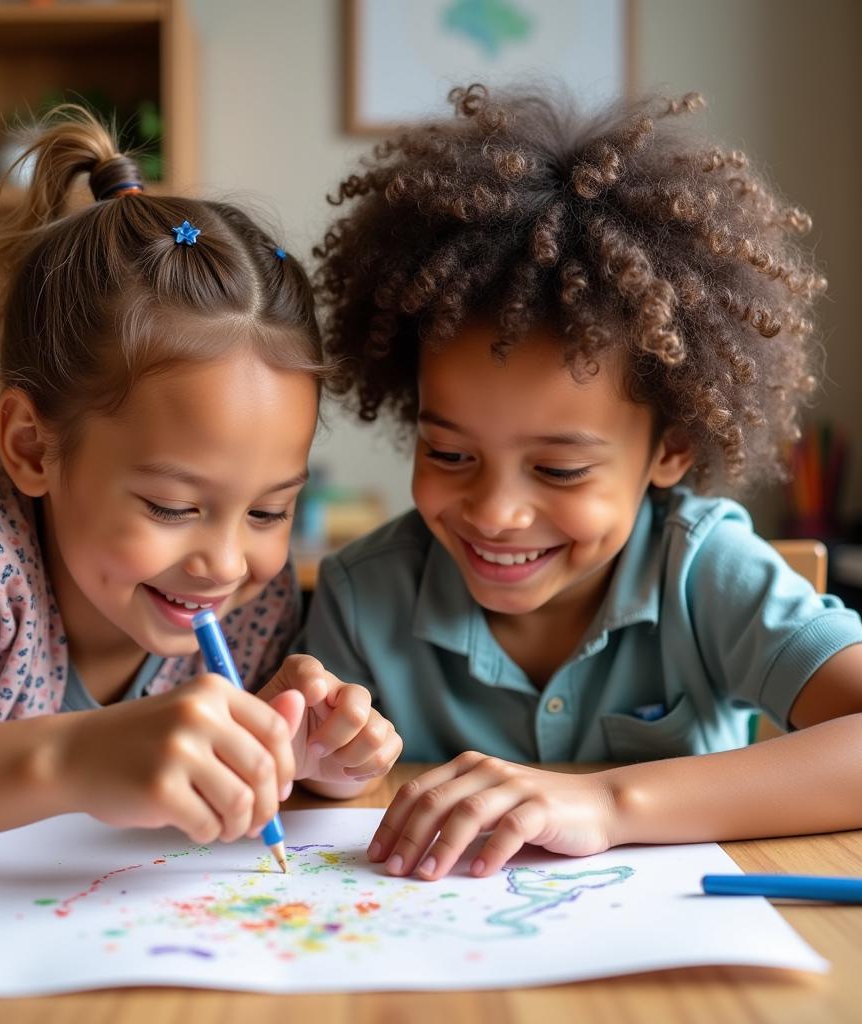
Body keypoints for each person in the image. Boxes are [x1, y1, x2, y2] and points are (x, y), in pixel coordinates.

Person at [303, 84, 862, 881]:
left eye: (559, 468)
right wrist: (317, 753)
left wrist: (607, 803)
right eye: (450, 454)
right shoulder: (365, 596)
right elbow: (321, 796)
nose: (494, 513)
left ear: (670, 448)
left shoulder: (704, 574)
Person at [0, 107, 400, 866]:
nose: (228, 563)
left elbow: (237, 769)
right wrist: (73, 760)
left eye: (270, 509)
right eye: (173, 506)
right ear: (33, 446)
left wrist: (304, 757)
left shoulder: (246, 603)